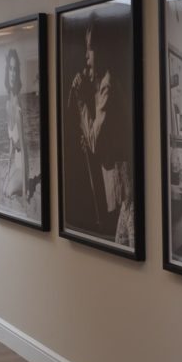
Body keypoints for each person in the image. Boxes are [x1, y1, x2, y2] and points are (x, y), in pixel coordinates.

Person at [68, 14, 134, 246]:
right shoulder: (102, 85)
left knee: (125, 245)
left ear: (102, 51)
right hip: (124, 191)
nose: (86, 56)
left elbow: (95, 141)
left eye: (90, 49)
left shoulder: (107, 86)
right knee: (122, 245)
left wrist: (80, 102)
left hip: (126, 190)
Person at [0, 48, 31, 211]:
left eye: (15, 70)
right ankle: (12, 181)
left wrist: (25, 190)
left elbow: (23, 148)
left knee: (9, 192)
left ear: (17, 74)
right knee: (3, 189)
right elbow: (12, 146)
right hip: (15, 165)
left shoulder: (17, 105)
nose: (12, 74)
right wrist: (7, 170)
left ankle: (21, 186)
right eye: (10, 69)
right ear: (7, 72)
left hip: (22, 167)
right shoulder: (6, 105)